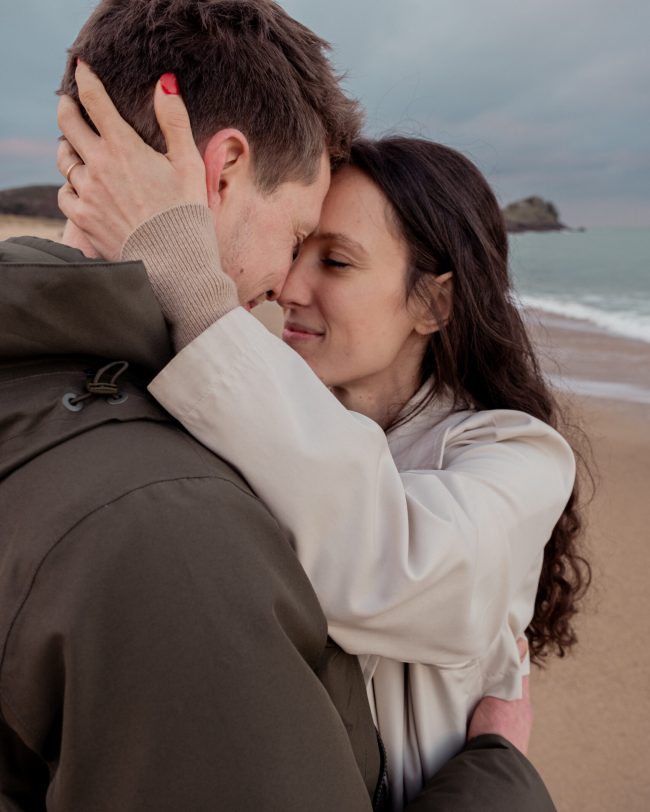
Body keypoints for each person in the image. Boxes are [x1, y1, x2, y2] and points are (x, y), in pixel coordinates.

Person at [0, 1, 559, 810]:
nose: (291, 288)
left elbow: (393, 564)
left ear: (433, 305)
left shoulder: (515, 453)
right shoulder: (176, 488)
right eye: (299, 239)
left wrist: (190, 284)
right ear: (222, 173)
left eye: (330, 257)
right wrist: (501, 770)